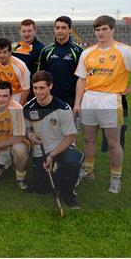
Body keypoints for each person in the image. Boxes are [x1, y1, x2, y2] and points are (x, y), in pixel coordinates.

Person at [74, 15, 131, 194]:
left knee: (114, 143)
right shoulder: (87, 52)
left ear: (112, 29)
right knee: (88, 138)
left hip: (110, 100)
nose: (100, 33)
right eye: (97, 29)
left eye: (104, 29)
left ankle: (115, 178)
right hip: (89, 99)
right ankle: (88, 170)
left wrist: (130, 89)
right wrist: (77, 102)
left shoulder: (125, 51)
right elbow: (81, 79)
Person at [24, 71, 82, 208]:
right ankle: (59, 173)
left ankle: (68, 193)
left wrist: (51, 155)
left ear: (50, 87)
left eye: (42, 88)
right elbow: (27, 129)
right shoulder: (27, 108)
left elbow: (69, 138)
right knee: (42, 189)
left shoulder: (63, 108)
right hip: (41, 150)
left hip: (62, 146)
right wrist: (30, 135)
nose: (38, 92)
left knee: (72, 163)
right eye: (35, 88)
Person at [0, 81, 29, 190]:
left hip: (12, 146)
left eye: (5, 96)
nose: (1, 99)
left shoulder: (17, 109)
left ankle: (20, 177)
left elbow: (20, 136)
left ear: (11, 97)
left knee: (20, 150)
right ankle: (7, 163)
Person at [38, 16, 83, 107]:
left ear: (70, 30)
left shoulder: (78, 51)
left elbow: (82, 79)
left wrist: (77, 103)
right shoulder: (46, 51)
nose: (60, 31)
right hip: (50, 98)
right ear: (54, 29)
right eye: (57, 28)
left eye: (63, 28)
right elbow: (40, 77)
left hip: (71, 99)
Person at [0, 38, 30, 105]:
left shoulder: (20, 66)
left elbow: (26, 89)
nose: (1, 55)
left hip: (15, 95)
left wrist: (19, 106)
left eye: (4, 52)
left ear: (10, 52)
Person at [13, 19, 45, 101]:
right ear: (20, 32)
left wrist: (11, 55)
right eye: (24, 31)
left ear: (34, 31)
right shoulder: (18, 46)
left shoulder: (40, 48)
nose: (26, 34)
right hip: (18, 89)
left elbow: (28, 60)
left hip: (33, 90)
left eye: (29, 31)